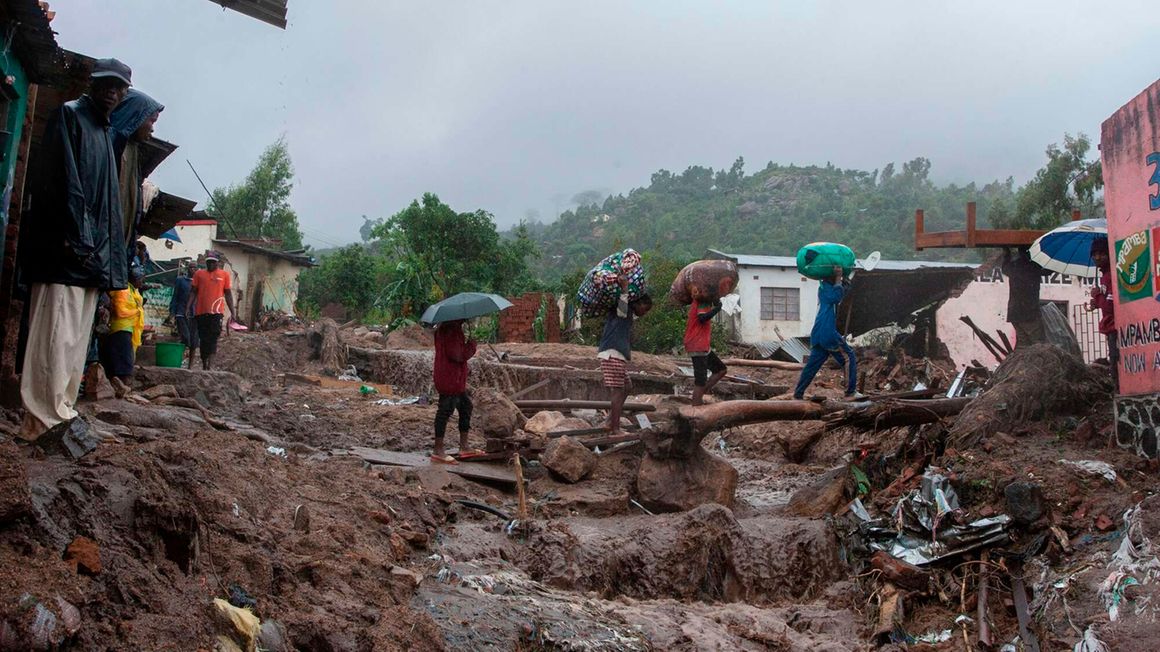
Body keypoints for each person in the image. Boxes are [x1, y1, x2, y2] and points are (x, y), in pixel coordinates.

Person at [18, 58, 132, 439]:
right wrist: (79, 241)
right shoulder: (69, 117)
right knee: (54, 340)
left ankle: (61, 413)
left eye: (118, 87)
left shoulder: (103, 130)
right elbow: (63, 184)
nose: (111, 92)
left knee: (73, 344)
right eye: (106, 84)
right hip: (64, 255)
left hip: (88, 260)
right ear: (92, 84)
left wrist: (105, 261)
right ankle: (40, 420)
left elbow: (108, 208)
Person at [794, 266, 860, 400]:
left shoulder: (826, 287)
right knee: (849, 357)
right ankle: (850, 392)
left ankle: (798, 393)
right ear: (831, 276)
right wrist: (838, 278)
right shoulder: (825, 288)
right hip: (827, 331)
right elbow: (836, 296)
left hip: (819, 331)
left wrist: (844, 282)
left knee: (813, 364)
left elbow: (840, 293)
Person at [597, 277, 653, 435]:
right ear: (638, 303)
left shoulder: (627, 314)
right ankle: (615, 428)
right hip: (612, 353)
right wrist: (625, 288)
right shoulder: (624, 309)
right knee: (618, 390)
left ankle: (610, 421)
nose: (644, 313)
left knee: (627, 386)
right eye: (645, 308)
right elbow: (622, 308)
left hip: (617, 354)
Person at [110, 89, 163, 255]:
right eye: (151, 121)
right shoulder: (110, 147)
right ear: (135, 117)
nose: (152, 129)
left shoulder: (132, 152)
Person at [431, 319, 478, 463]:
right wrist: (472, 345)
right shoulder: (451, 329)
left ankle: (464, 446)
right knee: (444, 411)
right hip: (450, 379)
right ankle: (438, 450)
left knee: (465, 406)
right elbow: (457, 354)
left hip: (453, 379)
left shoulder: (449, 328)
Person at [101, 265, 145, 398]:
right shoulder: (123, 290)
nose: (142, 283)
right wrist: (137, 311)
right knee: (123, 364)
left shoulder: (132, 290)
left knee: (124, 362)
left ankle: (121, 390)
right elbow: (120, 312)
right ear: (135, 278)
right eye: (141, 279)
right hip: (121, 329)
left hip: (129, 329)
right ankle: (121, 391)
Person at [186, 254, 235, 370]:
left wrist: (233, 311)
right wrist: (188, 307)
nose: (211, 264)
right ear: (206, 263)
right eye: (209, 262)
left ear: (217, 263)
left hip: (216, 312)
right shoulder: (199, 274)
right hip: (201, 312)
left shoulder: (224, 275)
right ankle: (204, 362)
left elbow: (228, 294)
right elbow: (193, 292)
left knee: (213, 337)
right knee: (203, 338)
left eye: (213, 262)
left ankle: (210, 364)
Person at [686, 298, 727, 405]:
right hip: (697, 343)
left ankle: (699, 397)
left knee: (721, 370)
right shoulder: (703, 300)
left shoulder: (703, 300)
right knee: (700, 380)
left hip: (702, 344)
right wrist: (717, 309)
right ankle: (695, 408)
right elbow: (702, 318)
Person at [1089, 237, 1117, 389]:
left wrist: (1097, 296)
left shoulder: (1109, 276)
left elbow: (1109, 307)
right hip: (1111, 328)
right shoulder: (1105, 275)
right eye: (1094, 254)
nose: (1097, 257)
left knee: (1115, 366)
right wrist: (1098, 300)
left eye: (1101, 253)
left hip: (1114, 328)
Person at [1002, 247, 1043, 348]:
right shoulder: (1034, 266)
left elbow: (1004, 268)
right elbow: (1049, 271)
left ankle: (1021, 363)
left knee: (1022, 343)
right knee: (1037, 344)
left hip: (1014, 312)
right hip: (1029, 312)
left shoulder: (1013, 266)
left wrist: (1007, 253)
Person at [170, 263, 198, 368]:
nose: (193, 269)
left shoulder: (199, 282)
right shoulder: (181, 280)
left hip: (194, 314)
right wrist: (172, 312)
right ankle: (178, 359)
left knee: (194, 341)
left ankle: (190, 366)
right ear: (187, 269)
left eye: (195, 267)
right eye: (191, 267)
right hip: (181, 312)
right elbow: (175, 296)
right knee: (186, 337)